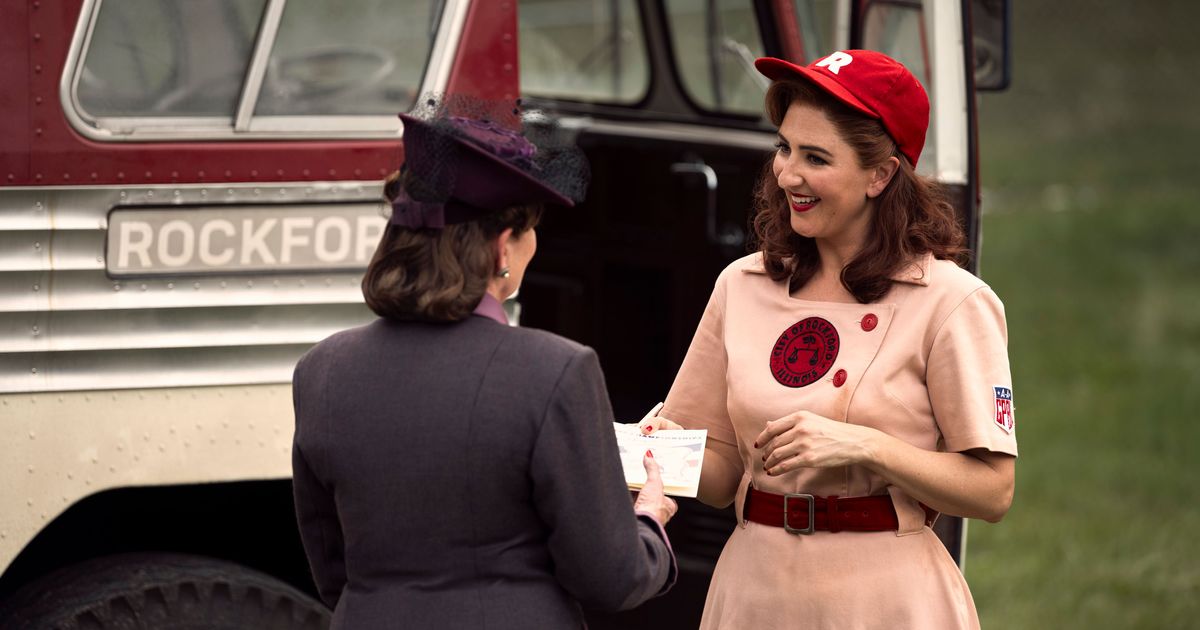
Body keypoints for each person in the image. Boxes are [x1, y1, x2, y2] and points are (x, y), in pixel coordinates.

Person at [640, 50, 1017, 628]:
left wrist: (866, 447)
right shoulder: (740, 285)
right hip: (755, 592)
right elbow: (718, 478)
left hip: (886, 601)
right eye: (784, 148)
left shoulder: (952, 301)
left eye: (815, 157)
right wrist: (664, 450)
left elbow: (992, 490)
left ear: (881, 174)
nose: (787, 174)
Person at [291, 97, 677, 629]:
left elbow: (331, 567)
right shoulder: (555, 370)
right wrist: (647, 522)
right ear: (502, 247)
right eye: (530, 230)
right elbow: (611, 576)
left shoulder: (321, 369)